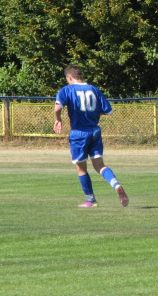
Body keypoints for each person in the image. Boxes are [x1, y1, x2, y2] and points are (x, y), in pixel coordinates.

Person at [54, 65, 129, 208]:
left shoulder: (66, 90)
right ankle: (116, 185)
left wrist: (58, 119)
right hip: (95, 131)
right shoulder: (94, 90)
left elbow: (57, 108)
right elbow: (107, 111)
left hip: (78, 133)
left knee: (81, 168)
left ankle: (91, 200)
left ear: (69, 77)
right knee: (100, 165)